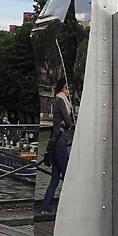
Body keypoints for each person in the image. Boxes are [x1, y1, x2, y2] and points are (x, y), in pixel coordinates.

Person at [40, 78, 74, 214]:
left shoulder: (58, 101)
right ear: (61, 88)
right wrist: (67, 123)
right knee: (67, 175)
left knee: (55, 177)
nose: (68, 91)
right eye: (66, 88)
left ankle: (46, 206)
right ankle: (68, 207)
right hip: (60, 142)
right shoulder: (60, 100)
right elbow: (68, 121)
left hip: (55, 141)